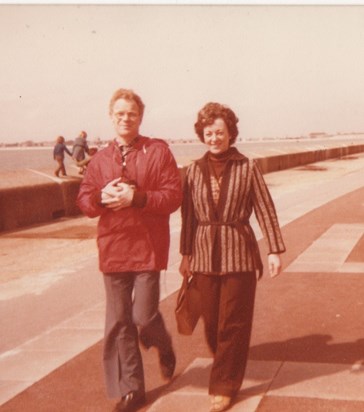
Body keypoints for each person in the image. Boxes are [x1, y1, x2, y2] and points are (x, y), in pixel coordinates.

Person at [77, 88, 182, 412]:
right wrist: (100, 198)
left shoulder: (158, 151)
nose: (126, 118)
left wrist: (136, 198)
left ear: (140, 117)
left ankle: (163, 345)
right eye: (120, 113)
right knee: (120, 322)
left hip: (147, 248)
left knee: (144, 316)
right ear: (111, 117)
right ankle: (132, 389)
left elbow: (173, 196)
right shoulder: (100, 159)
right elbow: (83, 200)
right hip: (113, 248)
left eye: (132, 113)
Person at [179, 102, 286, 412]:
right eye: (209, 133)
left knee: (234, 323)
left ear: (231, 134)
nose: (215, 138)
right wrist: (185, 256)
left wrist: (274, 250)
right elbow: (188, 218)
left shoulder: (247, 167)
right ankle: (226, 364)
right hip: (202, 256)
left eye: (220, 132)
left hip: (239, 253)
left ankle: (224, 383)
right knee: (212, 322)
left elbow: (265, 208)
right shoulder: (193, 171)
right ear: (202, 135)